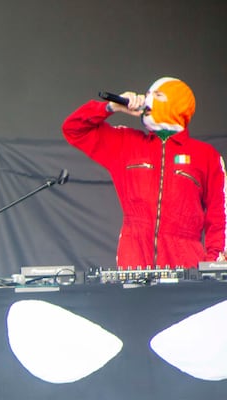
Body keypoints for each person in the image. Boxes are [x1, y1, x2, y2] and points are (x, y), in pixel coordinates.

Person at [62, 76, 227, 269]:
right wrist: (111, 108)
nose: (148, 100)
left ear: (179, 103)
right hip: (133, 259)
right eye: (147, 95)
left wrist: (212, 266)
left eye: (157, 95)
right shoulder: (126, 143)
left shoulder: (205, 155)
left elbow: (220, 215)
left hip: (186, 263)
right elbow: (74, 129)